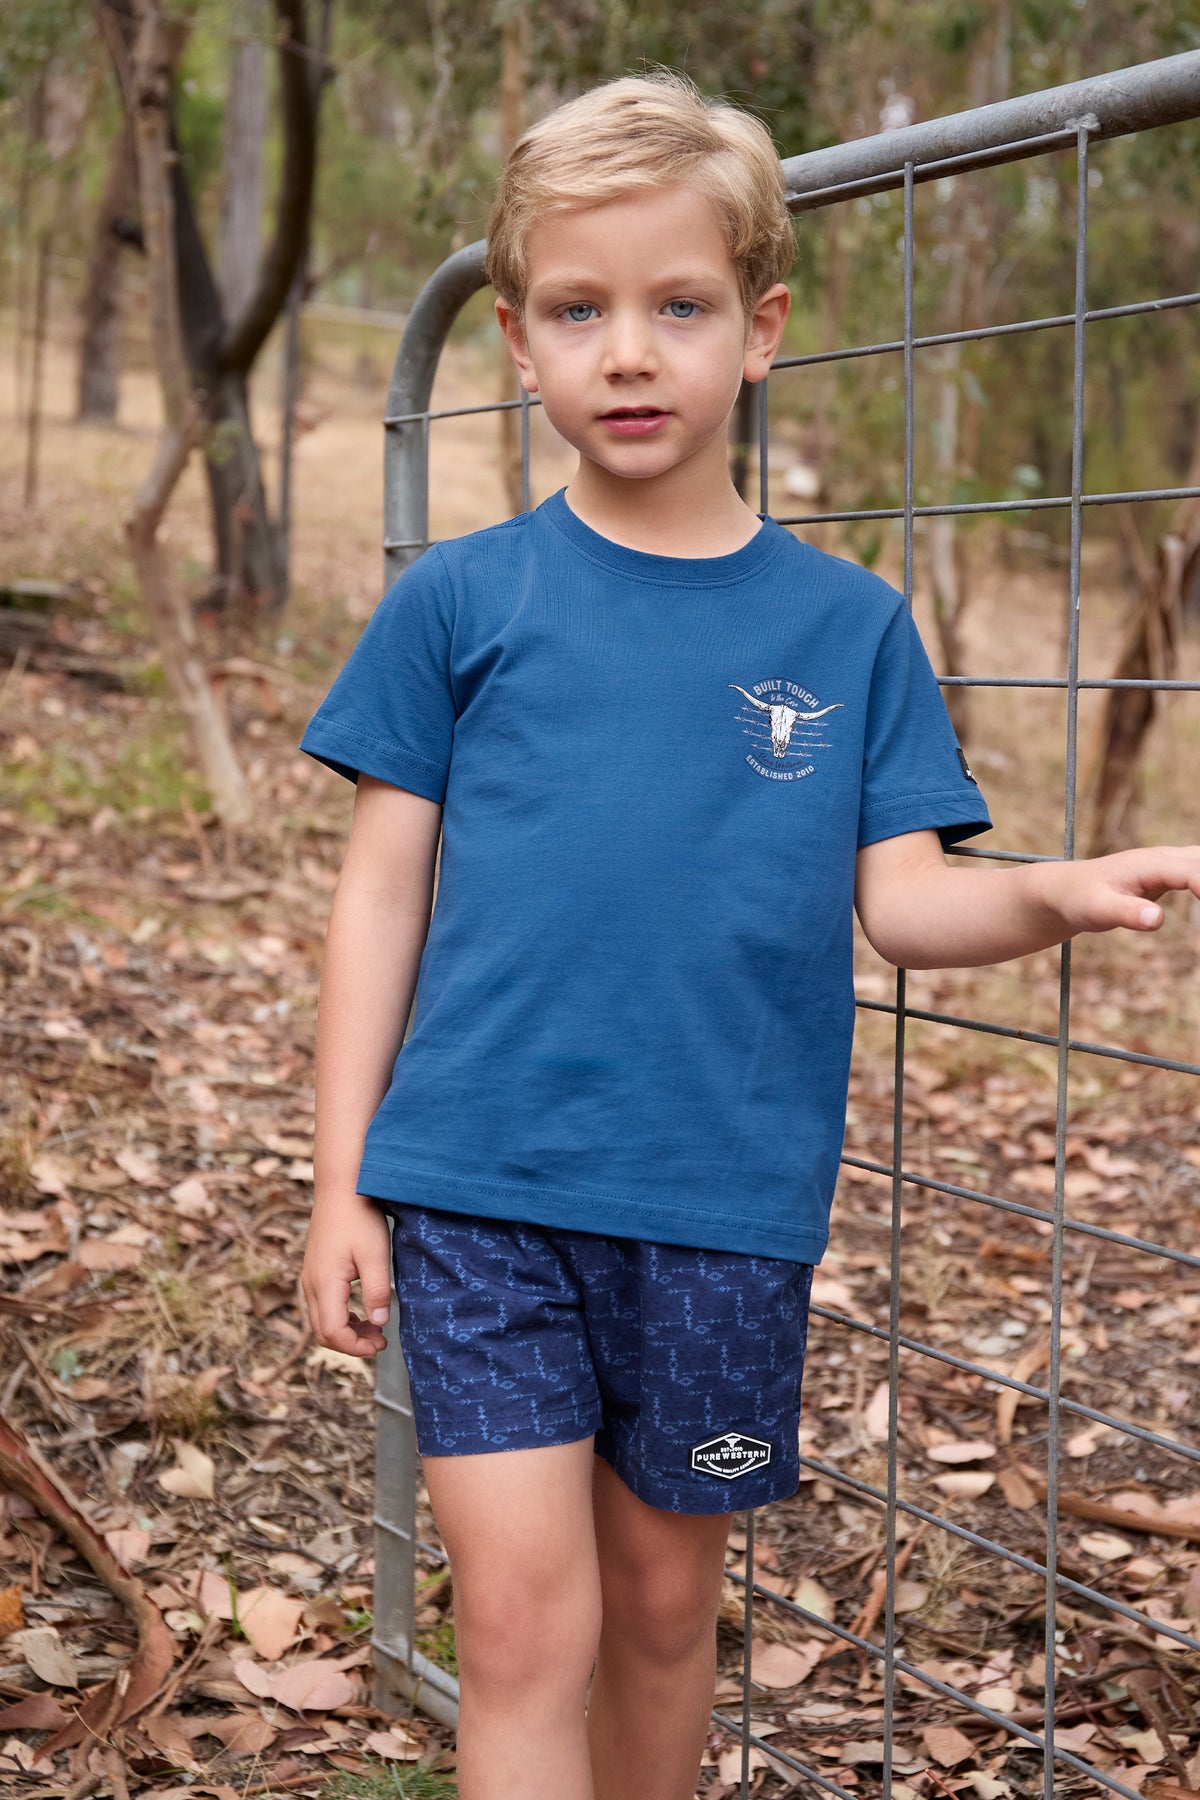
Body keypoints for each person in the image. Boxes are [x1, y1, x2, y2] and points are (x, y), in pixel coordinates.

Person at [298, 72, 1199, 1800]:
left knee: (656, 1617)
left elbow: (909, 898)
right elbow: (378, 895)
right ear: (517, 342)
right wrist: (343, 1178)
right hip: (481, 1188)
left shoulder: (847, 630)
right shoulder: (458, 607)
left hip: (722, 1212)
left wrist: (1051, 892)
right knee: (521, 1630)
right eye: (580, 308)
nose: (628, 352)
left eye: (678, 306)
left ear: (761, 329)